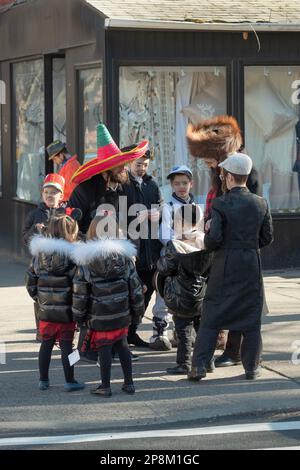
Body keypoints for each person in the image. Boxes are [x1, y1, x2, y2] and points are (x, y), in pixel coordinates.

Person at [188, 153, 273, 381]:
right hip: (251, 264)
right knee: (251, 316)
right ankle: (252, 368)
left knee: (212, 314)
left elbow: (214, 240)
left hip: (225, 263)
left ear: (229, 177)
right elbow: (267, 238)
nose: (222, 178)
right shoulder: (260, 203)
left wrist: (206, 234)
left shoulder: (221, 203)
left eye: (224, 174)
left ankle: (199, 366)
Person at [186, 115, 262, 366]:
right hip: (230, 248)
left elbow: (251, 219)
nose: (205, 163)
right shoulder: (219, 172)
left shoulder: (244, 177)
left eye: (208, 157)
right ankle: (239, 358)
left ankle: (232, 351)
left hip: (232, 248)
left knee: (232, 303)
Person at [72, 215, 145, 397]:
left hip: (99, 314)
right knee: (123, 346)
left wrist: (79, 316)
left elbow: (80, 293)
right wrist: (137, 313)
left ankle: (105, 386)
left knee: (104, 348)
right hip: (121, 312)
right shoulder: (125, 257)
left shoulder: (85, 261)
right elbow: (135, 288)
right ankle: (129, 384)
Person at [25, 214, 85, 392]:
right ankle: (70, 380)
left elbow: (30, 281)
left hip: (46, 311)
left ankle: (43, 380)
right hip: (67, 311)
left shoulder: (39, 254)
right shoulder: (75, 255)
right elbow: (80, 285)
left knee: (46, 344)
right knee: (68, 346)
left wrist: (39, 298)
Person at [149, 165, 204, 351]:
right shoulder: (167, 208)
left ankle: (183, 334)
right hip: (173, 255)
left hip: (192, 256)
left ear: (191, 184)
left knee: (190, 294)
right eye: (177, 183)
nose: (181, 186)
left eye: (185, 183)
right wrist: (180, 240)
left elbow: (201, 232)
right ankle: (160, 331)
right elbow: (163, 234)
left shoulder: (197, 207)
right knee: (166, 292)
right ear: (171, 185)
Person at [156, 204, 212, 374]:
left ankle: (184, 363)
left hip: (180, 296)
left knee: (183, 332)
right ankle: (207, 362)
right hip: (202, 294)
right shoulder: (205, 241)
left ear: (179, 221)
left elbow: (165, 268)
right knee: (202, 329)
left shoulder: (175, 245)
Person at [69, 123, 149, 233]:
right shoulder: (84, 191)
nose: (123, 168)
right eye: (118, 165)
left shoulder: (128, 186)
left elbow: (133, 223)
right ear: (105, 169)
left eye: (124, 163)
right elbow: (71, 226)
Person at [121, 148, 163, 347]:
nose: (142, 168)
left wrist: (158, 213)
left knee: (146, 293)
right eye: (138, 164)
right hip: (132, 247)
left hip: (150, 249)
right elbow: (118, 213)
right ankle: (122, 335)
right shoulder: (124, 184)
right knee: (131, 293)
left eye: (145, 165)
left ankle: (133, 331)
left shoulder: (152, 185)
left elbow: (161, 205)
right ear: (130, 163)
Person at [23, 173, 66, 341]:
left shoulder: (64, 213)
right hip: (40, 264)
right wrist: (35, 229)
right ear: (42, 194)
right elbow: (25, 237)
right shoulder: (34, 215)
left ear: (61, 196)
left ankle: (62, 329)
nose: (49, 195)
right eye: (46, 192)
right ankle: (42, 330)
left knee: (62, 296)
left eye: (54, 192)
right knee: (41, 297)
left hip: (61, 263)